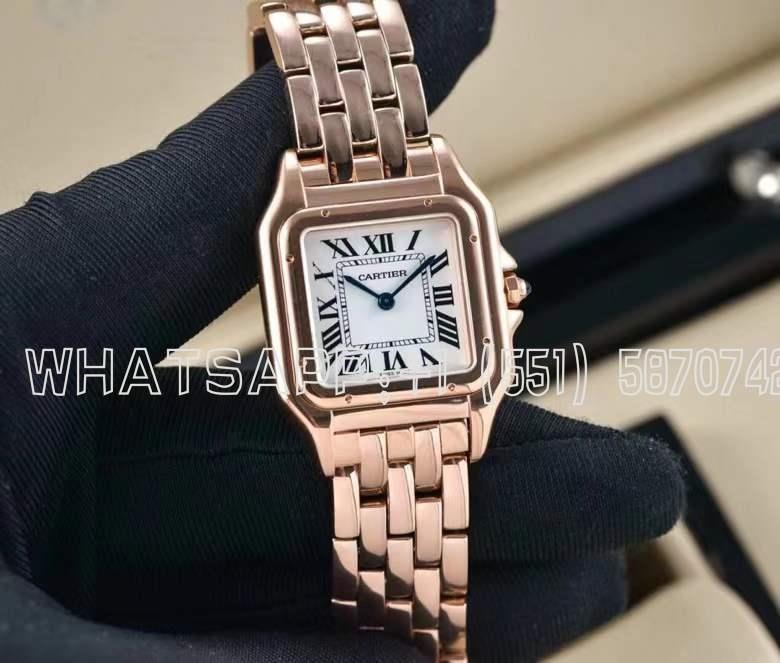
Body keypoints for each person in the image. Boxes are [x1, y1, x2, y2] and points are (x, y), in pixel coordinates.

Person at [0, 1, 684, 660]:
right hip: (356, 424)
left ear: (496, 286)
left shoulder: (437, 207)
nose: (386, 300)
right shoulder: (315, 216)